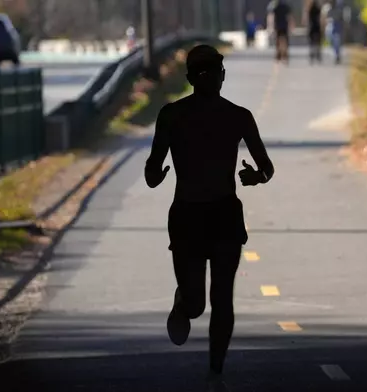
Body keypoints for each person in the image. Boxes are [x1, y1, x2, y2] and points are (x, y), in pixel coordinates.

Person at [144, 45, 274, 390]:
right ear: (190, 79)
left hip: (224, 215)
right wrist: (157, 174)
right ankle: (183, 301)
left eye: (213, 73)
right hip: (187, 215)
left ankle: (215, 371)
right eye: (202, 74)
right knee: (197, 303)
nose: (208, 79)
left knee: (221, 298)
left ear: (222, 76)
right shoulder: (170, 116)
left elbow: (267, 167)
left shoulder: (239, 116)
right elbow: (152, 169)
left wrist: (255, 176)